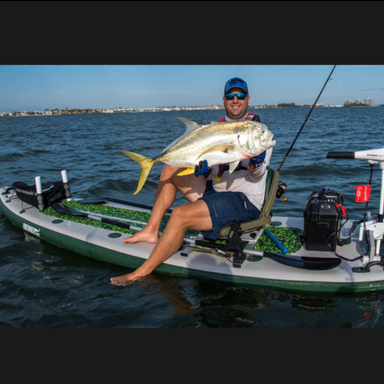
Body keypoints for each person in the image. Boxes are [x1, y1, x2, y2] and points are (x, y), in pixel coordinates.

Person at [110, 77, 273, 285]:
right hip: (218, 193)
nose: (235, 100)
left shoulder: (256, 132)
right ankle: (151, 229)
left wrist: (256, 162)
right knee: (170, 167)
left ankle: (140, 273)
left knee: (179, 215)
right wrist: (204, 172)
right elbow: (215, 173)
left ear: (247, 99)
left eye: (240, 96)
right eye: (231, 96)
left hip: (244, 201)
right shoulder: (216, 128)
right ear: (223, 100)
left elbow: (256, 175)